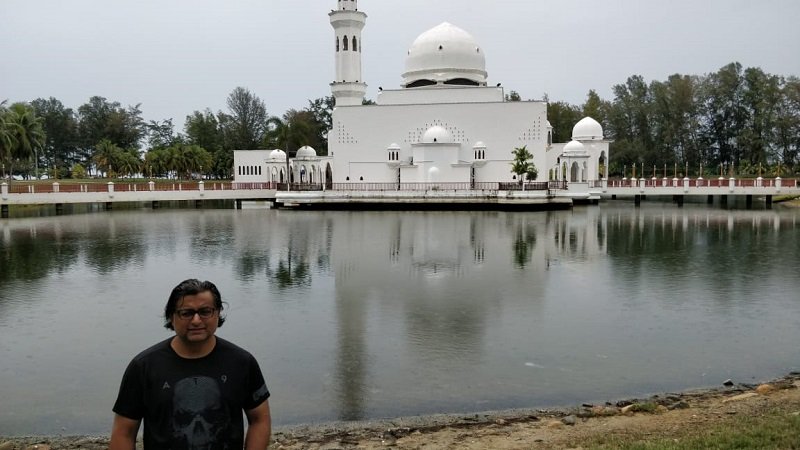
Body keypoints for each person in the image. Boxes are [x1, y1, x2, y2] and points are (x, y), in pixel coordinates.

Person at [110, 279, 271, 449]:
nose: (196, 320)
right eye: (186, 313)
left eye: (205, 311)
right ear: (171, 316)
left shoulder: (242, 363)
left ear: (217, 314)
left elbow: (260, 419)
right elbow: (124, 432)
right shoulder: (143, 367)